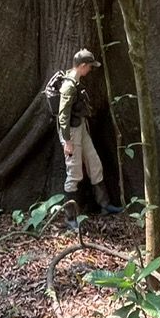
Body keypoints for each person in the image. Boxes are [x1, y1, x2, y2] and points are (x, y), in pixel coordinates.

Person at [58, 49, 122, 230]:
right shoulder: (69, 86)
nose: (91, 70)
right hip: (71, 132)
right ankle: (70, 218)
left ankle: (105, 205)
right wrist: (67, 140)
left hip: (81, 128)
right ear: (83, 66)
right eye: (90, 67)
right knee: (74, 174)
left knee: (94, 164)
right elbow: (63, 116)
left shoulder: (75, 81)